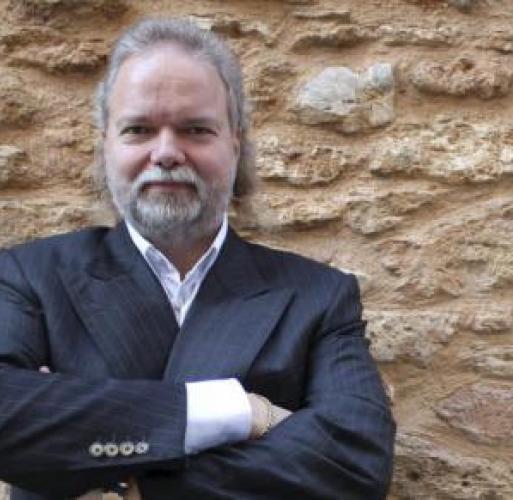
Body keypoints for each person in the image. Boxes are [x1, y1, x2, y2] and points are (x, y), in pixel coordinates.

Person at [0, 18, 395, 500]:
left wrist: (118, 474)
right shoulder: (29, 277)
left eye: (195, 130)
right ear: (106, 145)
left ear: (235, 144)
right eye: (139, 129)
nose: (166, 152)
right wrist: (236, 412)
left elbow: (355, 462)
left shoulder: (318, 296)